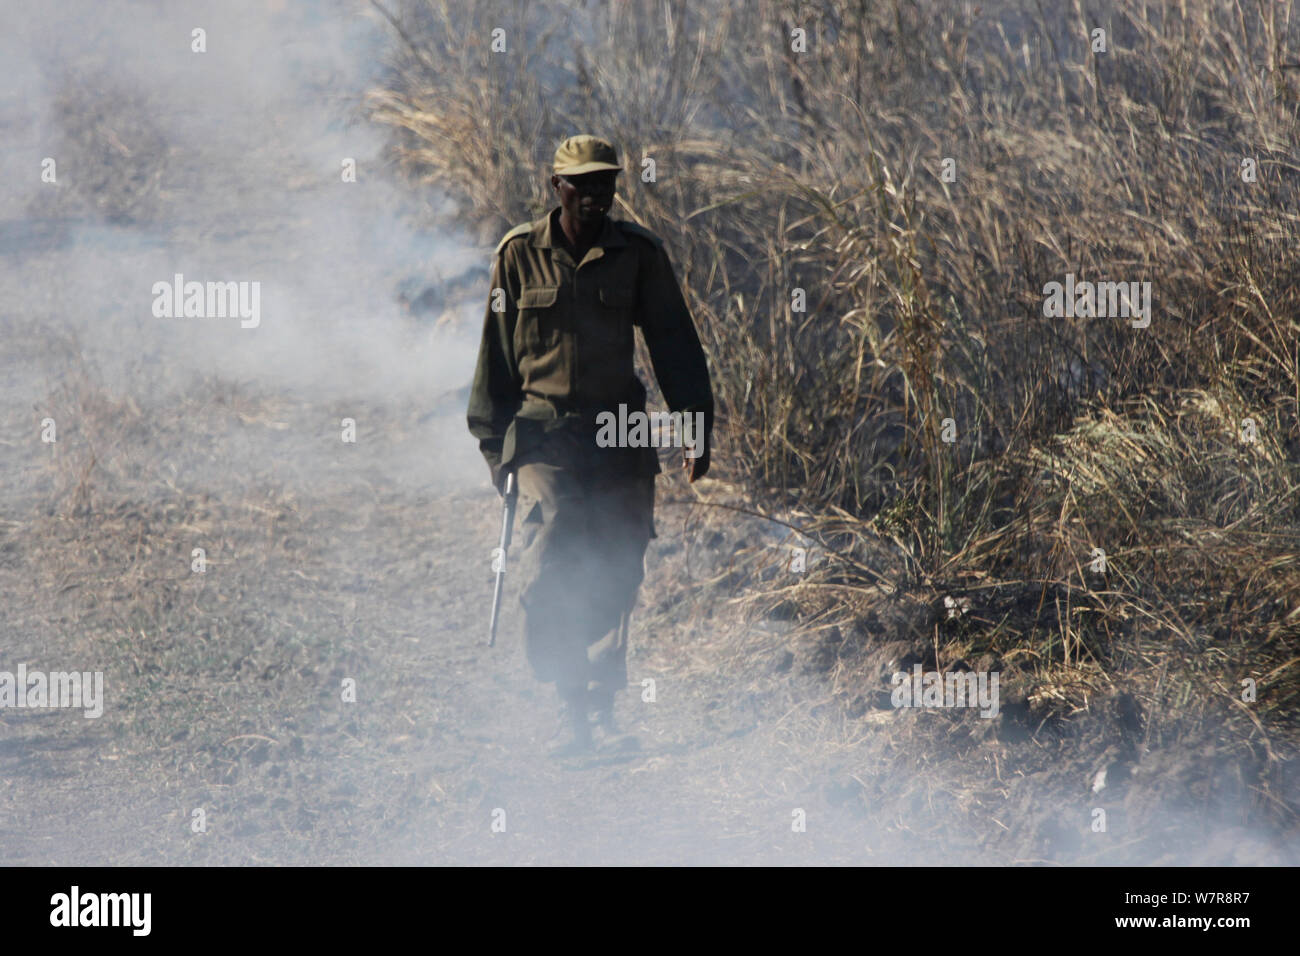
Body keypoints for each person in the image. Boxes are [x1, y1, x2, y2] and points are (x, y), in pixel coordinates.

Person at [467, 134, 714, 755]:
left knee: (620, 564)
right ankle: (569, 701)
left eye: (608, 182)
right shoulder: (519, 256)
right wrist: (495, 446)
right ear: (558, 187)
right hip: (546, 434)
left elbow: (675, 345)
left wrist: (694, 425)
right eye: (585, 184)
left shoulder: (638, 256)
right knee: (554, 561)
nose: (598, 194)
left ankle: (600, 704)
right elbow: (495, 354)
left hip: (621, 432)